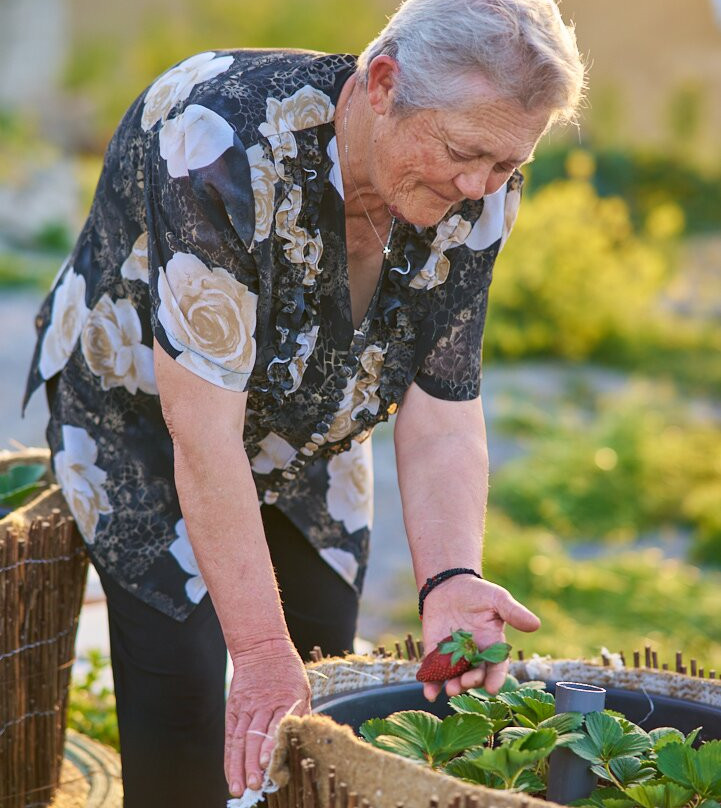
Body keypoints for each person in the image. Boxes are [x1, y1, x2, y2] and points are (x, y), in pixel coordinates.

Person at [22, 0, 585, 804]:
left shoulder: (480, 181)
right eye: (464, 153)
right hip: (148, 429)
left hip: (308, 428)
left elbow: (443, 400)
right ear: (383, 84)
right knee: (190, 720)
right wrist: (252, 650)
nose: (478, 187)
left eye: (506, 164)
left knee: (326, 702)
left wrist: (450, 578)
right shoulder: (213, 136)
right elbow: (204, 436)